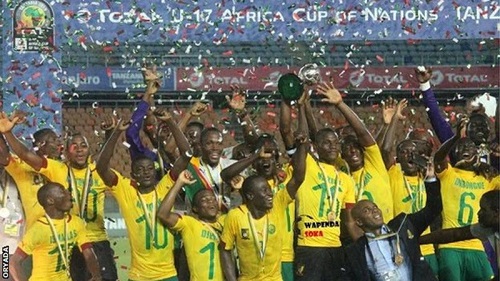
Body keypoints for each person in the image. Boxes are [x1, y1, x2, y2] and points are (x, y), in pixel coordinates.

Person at [0, 112, 118, 281]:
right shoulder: (21, 168)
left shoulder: (61, 169)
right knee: (9, 275)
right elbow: (8, 155)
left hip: (63, 240)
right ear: (40, 145)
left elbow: (97, 162)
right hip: (18, 241)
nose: (59, 144)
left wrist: (110, 134)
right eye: (53, 140)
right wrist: (4, 132)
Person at [96, 119, 178, 281]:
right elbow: (101, 167)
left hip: (168, 274)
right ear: (133, 175)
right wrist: (116, 133)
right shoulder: (126, 190)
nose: (146, 173)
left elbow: (186, 155)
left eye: (149, 169)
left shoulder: (165, 187)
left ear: (155, 172)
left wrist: (171, 122)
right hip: (139, 276)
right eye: (139, 170)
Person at [219, 129, 307, 281]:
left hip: (285, 255)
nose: (267, 160)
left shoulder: (285, 177)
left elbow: (299, 176)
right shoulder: (248, 182)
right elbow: (226, 175)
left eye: (271, 154)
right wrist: (255, 157)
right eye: (263, 156)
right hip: (252, 259)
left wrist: (301, 145)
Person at [339, 161, 442, 281]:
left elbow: (433, 208)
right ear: (359, 222)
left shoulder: (403, 225)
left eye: (375, 207)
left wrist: (430, 179)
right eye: (367, 211)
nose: (375, 211)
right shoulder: (355, 251)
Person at [317, 82, 394, 222]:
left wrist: (340, 104)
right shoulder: (342, 175)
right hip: (358, 235)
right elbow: (317, 138)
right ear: (342, 155)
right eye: (346, 148)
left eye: (356, 147)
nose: (352, 151)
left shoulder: (375, 165)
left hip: (385, 232)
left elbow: (363, 133)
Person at [433, 117, 495, 281]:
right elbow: (438, 158)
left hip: (476, 245)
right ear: (454, 152)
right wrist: (454, 138)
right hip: (450, 247)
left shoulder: (487, 178)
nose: (466, 147)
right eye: (461, 146)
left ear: (477, 154)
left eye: (470, 146)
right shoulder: (448, 173)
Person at [9, 182, 101, 281]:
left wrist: (96, 275)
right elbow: (13, 262)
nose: (68, 193)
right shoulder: (38, 230)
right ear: (50, 200)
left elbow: (88, 253)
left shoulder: (76, 222)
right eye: (62, 191)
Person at [157, 170, 225, 281]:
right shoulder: (189, 224)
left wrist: (240, 189)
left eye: (213, 199)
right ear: (195, 208)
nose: (211, 202)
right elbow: (163, 214)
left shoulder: (225, 221)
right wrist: (179, 183)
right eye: (205, 200)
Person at [420, 190, 499, 279]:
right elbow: (454, 234)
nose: (478, 213)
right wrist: (417, 240)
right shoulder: (487, 228)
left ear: (496, 212)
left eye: (483, 210)